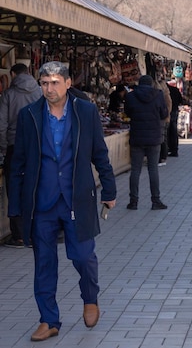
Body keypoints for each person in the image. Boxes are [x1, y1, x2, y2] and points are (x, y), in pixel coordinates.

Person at [8, 61, 116, 341]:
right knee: (44, 263)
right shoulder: (29, 115)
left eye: (55, 82)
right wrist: (16, 206)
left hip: (75, 199)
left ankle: (90, 297)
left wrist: (109, 191)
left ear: (68, 83)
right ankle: (49, 319)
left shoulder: (86, 112)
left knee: (82, 256)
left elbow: (99, 153)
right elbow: (18, 161)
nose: (49, 88)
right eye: (44, 83)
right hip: (41, 202)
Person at [0, 63, 42, 248]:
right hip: (36, 147)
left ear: (13, 73)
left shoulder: (8, 94)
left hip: (14, 146)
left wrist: (2, 148)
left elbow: (1, 124)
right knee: (35, 187)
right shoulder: (40, 92)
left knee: (14, 188)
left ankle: (18, 235)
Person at [124, 75, 168, 210]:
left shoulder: (131, 96)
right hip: (154, 137)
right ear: (151, 84)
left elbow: (128, 112)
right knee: (153, 169)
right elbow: (164, 113)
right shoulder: (158, 95)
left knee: (135, 170)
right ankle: (155, 201)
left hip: (137, 136)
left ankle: (133, 201)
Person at [156, 74, 172, 166]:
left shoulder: (165, 97)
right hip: (164, 119)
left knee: (163, 138)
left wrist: (163, 115)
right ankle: (162, 157)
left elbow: (167, 109)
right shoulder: (166, 96)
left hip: (164, 119)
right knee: (163, 138)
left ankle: (162, 157)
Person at [167, 80, 183, 156]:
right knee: (173, 130)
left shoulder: (163, 91)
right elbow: (181, 100)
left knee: (167, 131)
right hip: (174, 111)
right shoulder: (175, 90)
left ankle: (169, 149)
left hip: (168, 112)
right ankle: (174, 149)